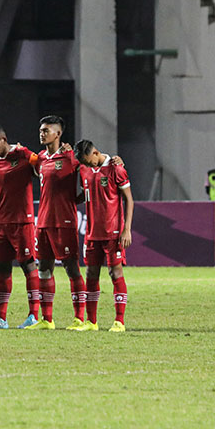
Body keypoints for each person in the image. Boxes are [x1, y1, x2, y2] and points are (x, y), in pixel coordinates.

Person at [0, 122, 42, 329]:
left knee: (28, 265)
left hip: (22, 221)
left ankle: (34, 315)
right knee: (2, 269)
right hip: (1, 223)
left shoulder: (23, 154)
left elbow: (43, 164)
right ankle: (0, 318)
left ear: (4, 140)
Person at [32, 116, 88, 330]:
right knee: (44, 269)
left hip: (64, 221)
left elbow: (90, 176)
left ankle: (79, 318)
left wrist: (73, 201)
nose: (42, 133)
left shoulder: (71, 157)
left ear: (58, 133)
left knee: (71, 268)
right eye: (41, 129)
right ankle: (47, 320)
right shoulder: (41, 158)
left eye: (46, 130)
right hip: (43, 221)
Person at [75, 140, 133, 332]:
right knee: (91, 274)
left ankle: (119, 321)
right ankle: (91, 322)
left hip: (113, 233)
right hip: (92, 234)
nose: (87, 165)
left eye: (88, 161)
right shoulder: (84, 170)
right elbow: (86, 193)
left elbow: (129, 200)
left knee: (115, 273)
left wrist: (127, 229)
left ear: (96, 153)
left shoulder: (116, 169)